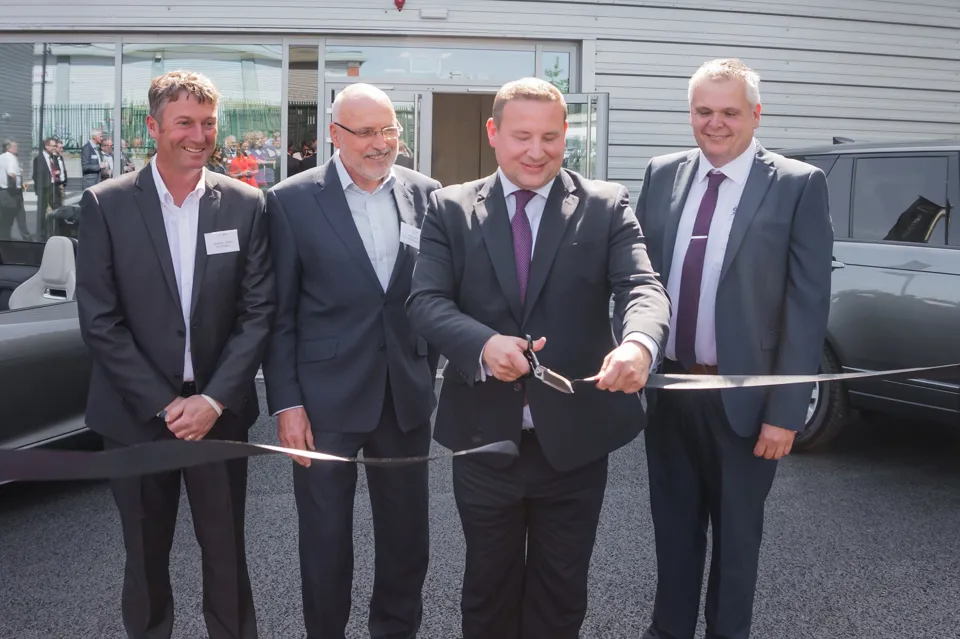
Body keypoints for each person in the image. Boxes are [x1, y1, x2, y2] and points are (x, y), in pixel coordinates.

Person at [406, 77, 671, 639]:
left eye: (550, 136)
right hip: (484, 438)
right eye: (522, 136)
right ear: (494, 134)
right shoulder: (449, 208)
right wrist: (481, 343)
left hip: (575, 442)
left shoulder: (604, 204)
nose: (537, 150)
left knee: (562, 590)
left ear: (566, 134)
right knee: (487, 588)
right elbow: (425, 302)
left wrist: (638, 343)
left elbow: (642, 287)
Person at [635, 58, 833, 639]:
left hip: (746, 403)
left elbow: (806, 305)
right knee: (673, 539)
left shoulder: (797, 183)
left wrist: (785, 412)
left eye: (729, 112)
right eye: (703, 112)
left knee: (737, 543)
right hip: (670, 391)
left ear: (755, 113)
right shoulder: (662, 172)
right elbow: (640, 280)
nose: (715, 123)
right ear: (690, 113)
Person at [75, 70, 276, 639]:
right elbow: (100, 320)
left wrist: (212, 399)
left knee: (227, 558)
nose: (199, 134)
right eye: (184, 122)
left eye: (208, 123)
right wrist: (166, 405)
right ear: (153, 126)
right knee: (143, 559)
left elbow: (258, 312)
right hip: (136, 419)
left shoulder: (245, 203)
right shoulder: (106, 203)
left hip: (218, 415)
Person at [262, 83, 441, 639]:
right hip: (324, 401)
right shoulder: (291, 200)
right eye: (364, 132)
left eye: (388, 130)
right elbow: (279, 313)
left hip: (404, 395)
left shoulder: (428, 193)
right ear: (335, 136)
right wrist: (286, 402)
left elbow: (434, 294)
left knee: (407, 538)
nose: (379, 143)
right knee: (325, 540)